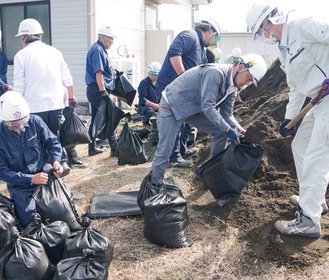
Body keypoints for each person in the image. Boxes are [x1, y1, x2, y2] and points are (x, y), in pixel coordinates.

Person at [246, 3, 329, 238]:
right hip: (320, 101)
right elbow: (296, 88)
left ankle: (309, 221)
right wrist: (289, 119)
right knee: (300, 145)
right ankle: (314, 199)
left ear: (267, 24)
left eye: (260, 32)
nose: (263, 37)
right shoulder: (284, 49)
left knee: (316, 156)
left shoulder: (304, 26)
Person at [150, 54, 267, 185]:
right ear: (240, 67)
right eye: (248, 78)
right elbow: (208, 107)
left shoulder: (232, 87)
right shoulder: (216, 73)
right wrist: (228, 129)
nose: (247, 83)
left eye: (250, 82)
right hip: (172, 104)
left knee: (221, 132)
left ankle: (213, 173)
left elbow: (227, 115)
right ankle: (154, 186)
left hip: (193, 109)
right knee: (166, 148)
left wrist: (241, 131)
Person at [13, 18, 76, 176]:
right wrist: (71, 98)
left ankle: (47, 172)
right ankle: (59, 164)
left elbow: (19, 86)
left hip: (33, 107)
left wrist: (16, 107)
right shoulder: (54, 52)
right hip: (55, 104)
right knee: (53, 136)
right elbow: (67, 77)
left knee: (37, 142)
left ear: (25, 38)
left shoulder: (21, 55)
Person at [156, 19, 221, 168]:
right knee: (175, 121)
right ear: (211, 31)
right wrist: (184, 80)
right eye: (214, 38)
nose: (212, 42)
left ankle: (181, 150)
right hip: (171, 86)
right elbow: (174, 54)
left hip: (183, 91)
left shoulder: (201, 49)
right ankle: (173, 157)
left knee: (185, 120)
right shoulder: (189, 36)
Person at [0, 91, 64, 228]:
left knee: (59, 209)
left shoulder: (35, 121)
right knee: (30, 220)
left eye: (22, 120)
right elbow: (2, 171)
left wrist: (56, 161)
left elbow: (53, 142)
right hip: (20, 185)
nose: (19, 125)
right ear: (5, 121)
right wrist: (29, 179)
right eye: (14, 123)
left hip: (44, 175)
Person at [85, 25, 118, 157]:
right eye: (110, 39)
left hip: (95, 89)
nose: (112, 42)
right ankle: (114, 147)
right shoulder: (98, 49)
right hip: (98, 90)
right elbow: (98, 72)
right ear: (103, 37)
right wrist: (103, 92)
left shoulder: (100, 50)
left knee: (96, 119)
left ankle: (92, 147)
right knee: (110, 117)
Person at [137, 61, 162, 126]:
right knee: (150, 112)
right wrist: (154, 106)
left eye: (155, 75)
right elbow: (142, 99)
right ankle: (145, 121)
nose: (152, 76)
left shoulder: (160, 84)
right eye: (151, 74)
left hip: (157, 105)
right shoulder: (144, 83)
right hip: (145, 106)